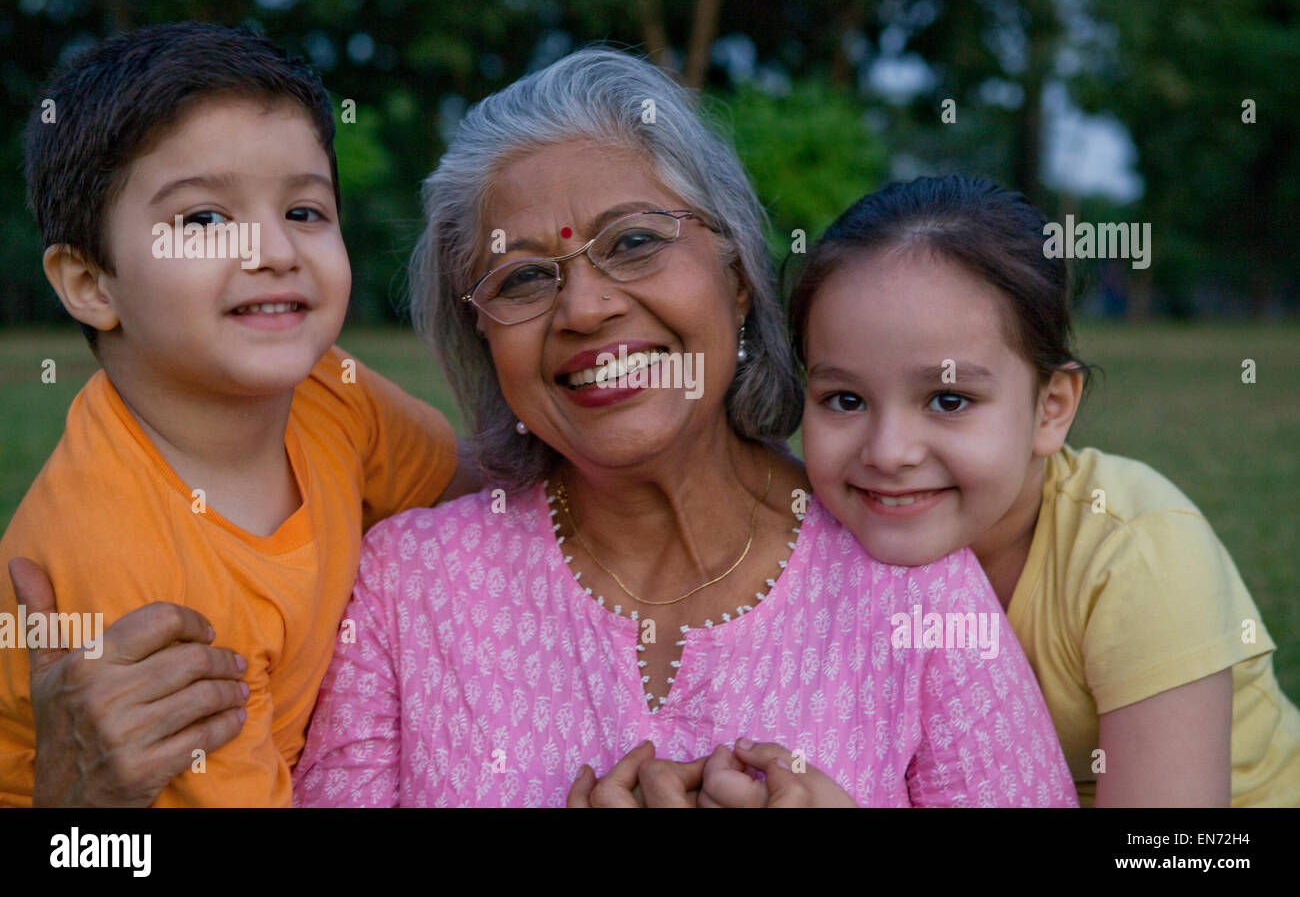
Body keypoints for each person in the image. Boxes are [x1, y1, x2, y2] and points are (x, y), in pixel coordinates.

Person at [292, 48, 1077, 807]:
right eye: (524, 277)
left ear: (736, 278)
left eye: (633, 242)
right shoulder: (408, 589)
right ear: (483, 340)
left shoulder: (910, 571)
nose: (586, 309)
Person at [0, 22, 477, 807]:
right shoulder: (128, 565)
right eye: (204, 220)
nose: (275, 251)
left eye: (304, 211)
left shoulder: (331, 391)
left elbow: (473, 487)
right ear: (90, 283)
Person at [789, 174, 1300, 806]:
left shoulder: (1136, 555)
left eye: (949, 400)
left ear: (1051, 408)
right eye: (844, 399)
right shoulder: (804, 547)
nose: (889, 452)